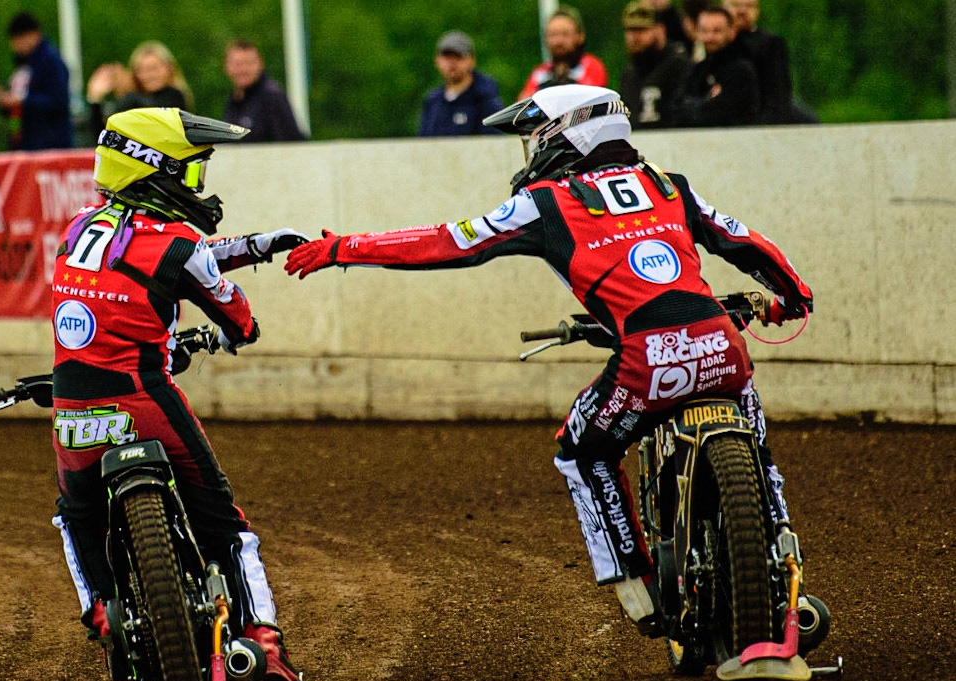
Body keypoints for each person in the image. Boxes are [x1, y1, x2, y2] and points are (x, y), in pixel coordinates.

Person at [284, 84, 812, 634]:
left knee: (580, 450)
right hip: (724, 347)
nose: (532, 149)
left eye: (535, 136)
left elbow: (449, 242)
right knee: (759, 450)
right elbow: (743, 241)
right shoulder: (669, 185)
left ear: (567, 132)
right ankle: (783, 562)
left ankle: (636, 582)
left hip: (645, 362)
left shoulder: (547, 202)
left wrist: (345, 248)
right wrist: (793, 297)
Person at [51, 107, 312, 681]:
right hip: (145, 399)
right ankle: (267, 648)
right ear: (156, 170)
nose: (197, 186)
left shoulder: (78, 228)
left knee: (75, 517)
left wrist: (257, 245)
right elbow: (235, 318)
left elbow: (151, 254)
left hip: (71, 409)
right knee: (225, 523)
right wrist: (239, 312)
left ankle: (100, 613)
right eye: (189, 172)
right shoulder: (181, 242)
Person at [0, 11, 72, 150]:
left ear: (33, 35)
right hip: (23, 145)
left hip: (49, 147)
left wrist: (22, 101)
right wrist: (3, 102)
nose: (15, 46)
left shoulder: (51, 62)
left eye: (18, 39)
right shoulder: (23, 65)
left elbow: (58, 101)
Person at [672, 5, 760, 127]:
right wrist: (707, 101)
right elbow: (675, 113)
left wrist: (694, 104)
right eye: (704, 31)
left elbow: (720, 114)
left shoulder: (741, 70)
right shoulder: (697, 70)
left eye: (717, 31)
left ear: (731, 32)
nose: (709, 37)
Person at [87, 41, 194, 139]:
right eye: (142, 70)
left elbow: (155, 114)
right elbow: (105, 136)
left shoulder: (175, 97)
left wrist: (125, 93)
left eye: (154, 68)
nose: (150, 75)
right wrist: (95, 99)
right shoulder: (132, 100)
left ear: (169, 68)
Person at [619, 3, 691, 130]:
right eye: (630, 30)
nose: (634, 37)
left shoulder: (677, 65)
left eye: (642, 30)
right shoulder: (630, 72)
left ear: (660, 30)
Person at [419, 30, 504, 137]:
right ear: (437, 60)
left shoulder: (486, 100)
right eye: (447, 57)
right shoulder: (432, 102)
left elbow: (492, 143)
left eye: (458, 57)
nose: (452, 63)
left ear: (472, 60)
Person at [222, 40, 305, 142]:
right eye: (237, 64)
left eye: (248, 63)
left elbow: (290, 143)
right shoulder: (234, 100)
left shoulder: (272, 97)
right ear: (226, 66)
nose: (243, 69)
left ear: (260, 64)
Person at [518, 7, 608, 100]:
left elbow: (586, 99)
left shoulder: (591, 65)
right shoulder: (540, 72)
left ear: (580, 36)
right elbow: (523, 104)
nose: (558, 41)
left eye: (565, 34)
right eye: (553, 34)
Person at [726, 0, 793, 124]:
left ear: (757, 10)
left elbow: (778, 96)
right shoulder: (711, 44)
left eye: (749, 6)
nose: (742, 11)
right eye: (735, 5)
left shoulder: (769, 44)